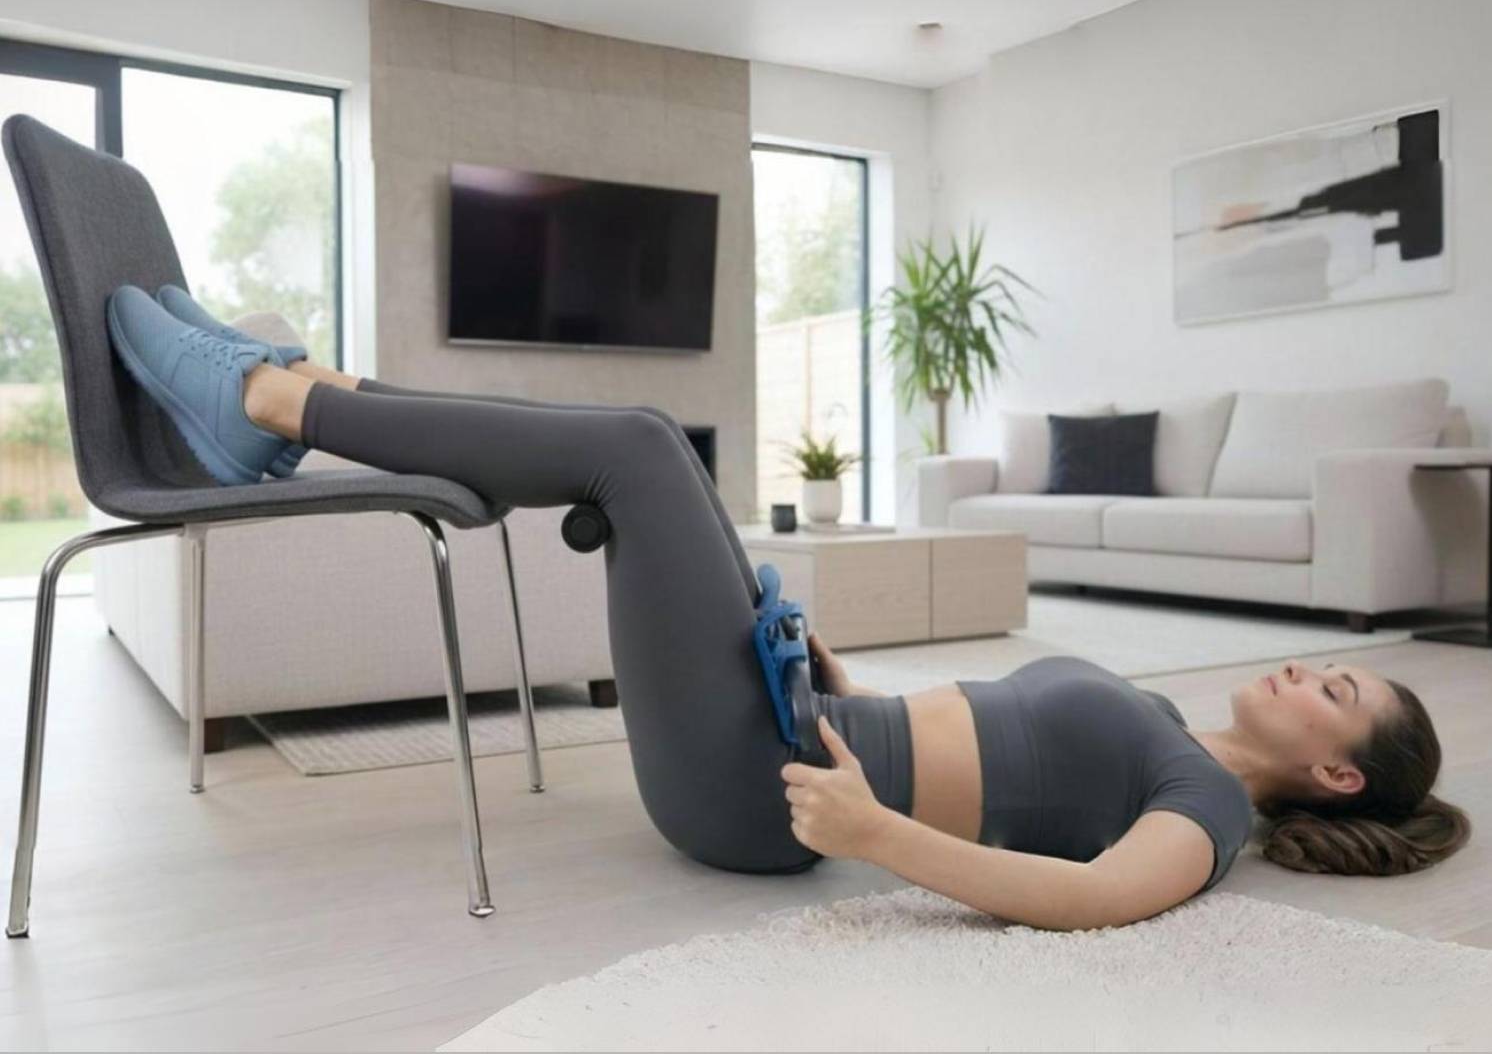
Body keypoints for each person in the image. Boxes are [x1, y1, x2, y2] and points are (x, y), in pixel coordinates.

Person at [105, 284, 1473, 931]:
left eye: (1334, 694)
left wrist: (874, 833)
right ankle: (289, 392)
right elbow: (966, 750)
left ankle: (269, 399)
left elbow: (1088, 899)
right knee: (641, 466)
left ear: (1337, 772)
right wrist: (838, 668)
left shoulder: (1214, 816)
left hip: (758, 796)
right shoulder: (1167, 722)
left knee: (640, 446)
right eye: (1328, 674)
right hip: (790, 724)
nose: (1308, 679)